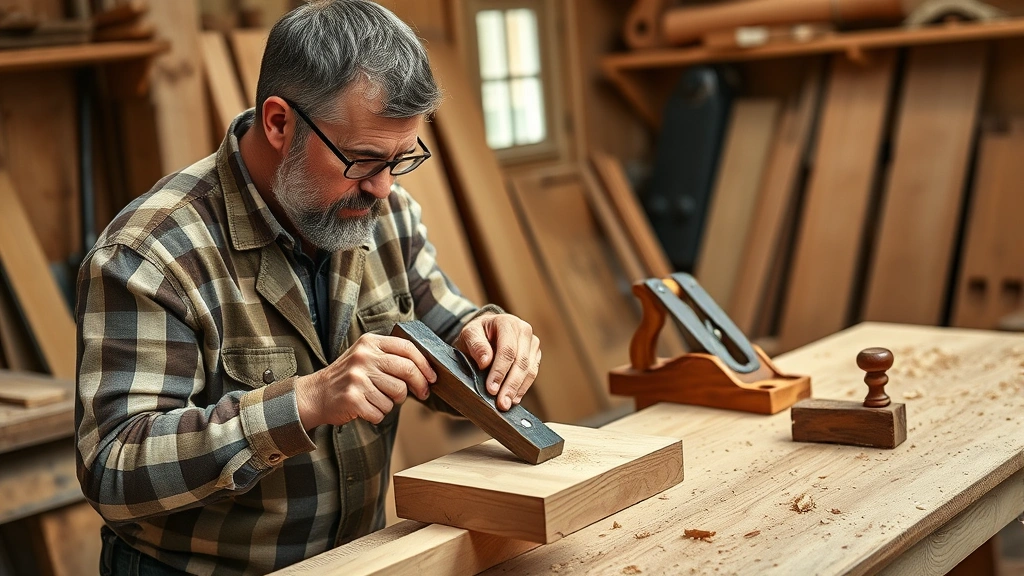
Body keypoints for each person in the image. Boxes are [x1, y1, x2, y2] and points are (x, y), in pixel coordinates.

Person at [75, 1, 542, 573]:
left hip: (356, 561)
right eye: (364, 159)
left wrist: (485, 338)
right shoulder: (151, 254)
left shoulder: (384, 215)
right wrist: (305, 402)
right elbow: (115, 468)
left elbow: (442, 329)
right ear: (278, 122)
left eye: (402, 159)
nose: (384, 188)